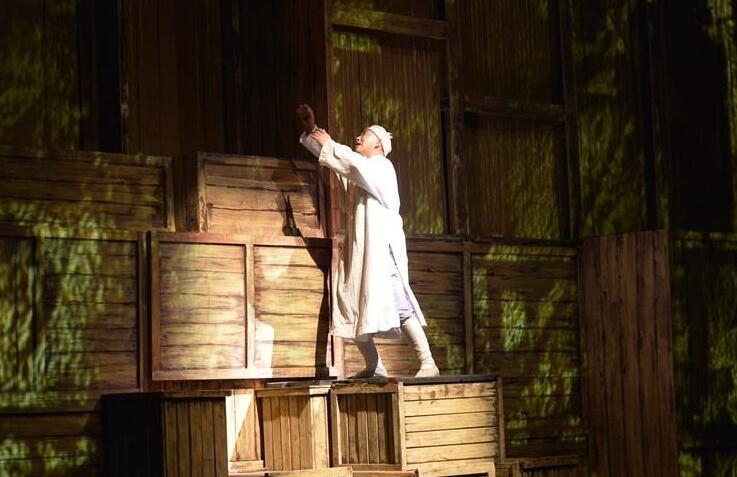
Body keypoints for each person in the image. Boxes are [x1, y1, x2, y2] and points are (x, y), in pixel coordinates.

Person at [296, 104, 439, 378]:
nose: (358, 137)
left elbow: (350, 163)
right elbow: (340, 165)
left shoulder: (382, 167)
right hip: (361, 250)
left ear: (379, 143)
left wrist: (329, 143)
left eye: (364, 134)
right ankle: (375, 366)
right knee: (350, 301)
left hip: (380, 251)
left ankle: (428, 362)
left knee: (398, 301)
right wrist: (312, 130)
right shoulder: (361, 171)